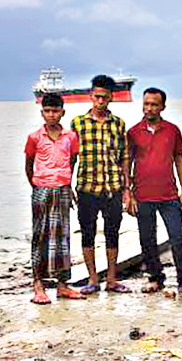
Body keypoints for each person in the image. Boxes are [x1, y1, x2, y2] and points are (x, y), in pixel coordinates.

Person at [128, 87, 182, 296]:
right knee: (147, 238)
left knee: (178, 237)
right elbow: (127, 163)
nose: (149, 108)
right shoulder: (133, 132)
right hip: (142, 194)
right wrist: (128, 192)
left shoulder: (172, 130)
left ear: (162, 107)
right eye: (146, 104)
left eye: (154, 104)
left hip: (169, 194)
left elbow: (179, 159)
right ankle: (155, 278)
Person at [70, 75, 130, 295]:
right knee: (88, 233)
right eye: (97, 97)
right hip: (87, 187)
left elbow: (124, 157)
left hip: (113, 186)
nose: (100, 101)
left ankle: (112, 279)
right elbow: (71, 157)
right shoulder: (78, 123)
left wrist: (126, 188)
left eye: (105, 97)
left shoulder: (119, 124)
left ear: (111, 97)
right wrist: (67, 184)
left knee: (112, 233)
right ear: (91, 96)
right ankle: (93, 280)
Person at [25, 93, 83, 305]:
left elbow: (72, 160)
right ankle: (38, 285)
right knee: (39, 235)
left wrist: (66, 181)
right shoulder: (34, 137)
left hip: (63, 188)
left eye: (55, 111)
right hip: (41, 188)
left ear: (62, 112)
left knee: (62, 237)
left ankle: (62, 284)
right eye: (47, 111)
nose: (51, 115)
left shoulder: (70, 137)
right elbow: (29, 163)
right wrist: (37, 184)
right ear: (42, 113)